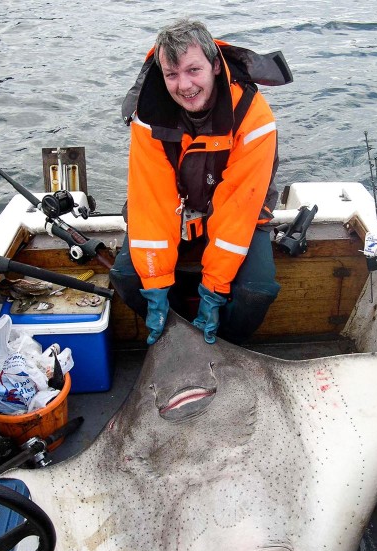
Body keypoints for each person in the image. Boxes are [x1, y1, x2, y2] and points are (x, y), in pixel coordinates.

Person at [110, 18, 292, 345]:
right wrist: (155, 288)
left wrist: (213, 290)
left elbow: (237, 209)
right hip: (178, 210)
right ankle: (178, 340)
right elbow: (152, 201)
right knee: (126, 276)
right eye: (172, 74)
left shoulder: (254, 117)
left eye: (193, 70)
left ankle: (223, 345)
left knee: (256, 290)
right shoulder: (147, 115)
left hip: (243, 212)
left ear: (216, 67)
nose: (184, 85)